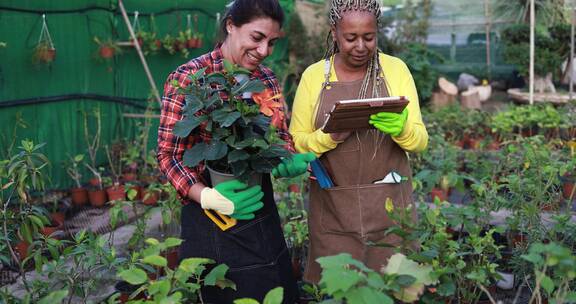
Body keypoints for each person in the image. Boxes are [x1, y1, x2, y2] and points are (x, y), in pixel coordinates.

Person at [157, 0, 315, 302]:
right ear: (230, 25)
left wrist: (286, 157)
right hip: (211, 220)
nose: (265, 50)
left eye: (272, 42)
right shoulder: (190, 78)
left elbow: (280, 135)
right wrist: (207, 195)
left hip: (259, 209)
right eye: (257, 38)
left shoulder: (265, 79)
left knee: (278, 292)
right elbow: (170, 156)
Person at [289, 0, 429, 284]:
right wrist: (328, 137)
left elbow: (420, 141)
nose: (361, 46)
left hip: (390, 209)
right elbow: (296, 143)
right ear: (334, 32)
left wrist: (401, 129)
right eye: (351, 38)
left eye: (369, 37)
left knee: (391, 288)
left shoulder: (395, 70)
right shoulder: (315, 76)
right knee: (338, 290)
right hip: (334, 211)